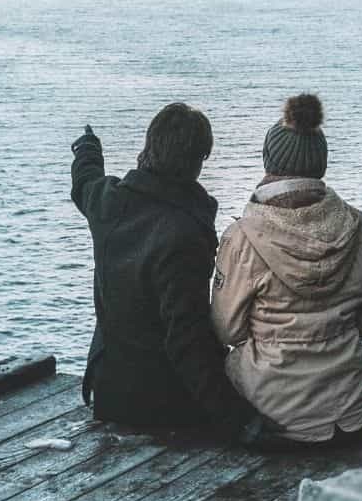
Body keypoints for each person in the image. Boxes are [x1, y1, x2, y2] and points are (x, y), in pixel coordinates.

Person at [71, 104, 289, 445]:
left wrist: (87, 149)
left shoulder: (106, 202)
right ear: (198, 160)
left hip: (110, 393)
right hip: (165, 403)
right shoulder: (183, 233)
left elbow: (84, 181)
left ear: (149, 145)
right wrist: (241, 420)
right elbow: (187, 339)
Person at [211, 94, 362, 446]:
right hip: (353, 415)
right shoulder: (358, 227)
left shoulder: (242, 237)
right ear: (320, 164)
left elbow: (227, 331)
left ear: (269, 162)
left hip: (276, 422)